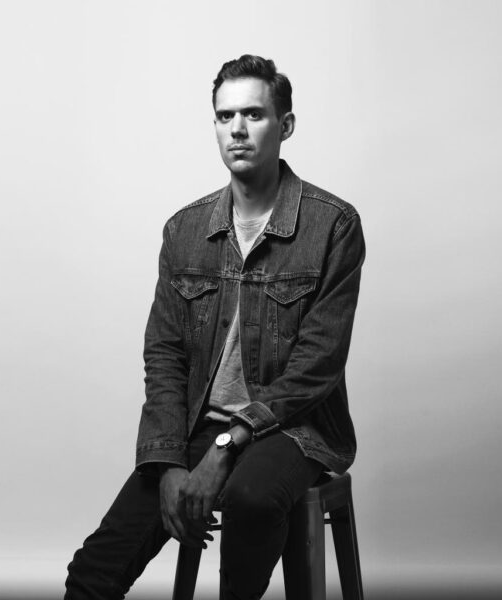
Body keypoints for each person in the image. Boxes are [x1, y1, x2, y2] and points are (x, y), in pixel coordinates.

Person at [65, 54, 365, 600]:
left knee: (252, 498)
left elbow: (317, 365)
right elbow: (164, 354)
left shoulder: (332, 225)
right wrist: (166, 461)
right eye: (225, 116)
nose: (237, 129)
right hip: (199, 428)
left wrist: (227, 446)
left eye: (253, 114)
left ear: (285, 126)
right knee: (92, 573)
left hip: (294, 429)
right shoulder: (184, 230)